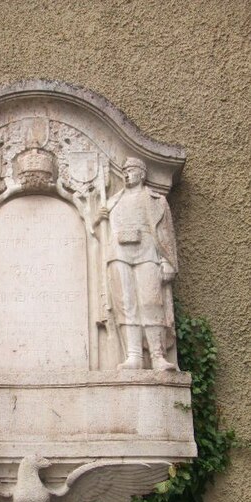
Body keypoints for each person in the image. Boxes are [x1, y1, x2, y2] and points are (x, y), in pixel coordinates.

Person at [95, 157, 178, 370]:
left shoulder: (155, 199)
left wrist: (166, 261)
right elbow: (98, 231)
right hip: (119, 253)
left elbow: (165, 235)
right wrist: (99, 216)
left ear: (142, 173)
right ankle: (134, 356)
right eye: (124, 170)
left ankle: (157, 355)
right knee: (126, 303)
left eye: (131, 170)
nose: (126, 174)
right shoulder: (113, 201)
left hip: (147, 251)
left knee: (151, 302)